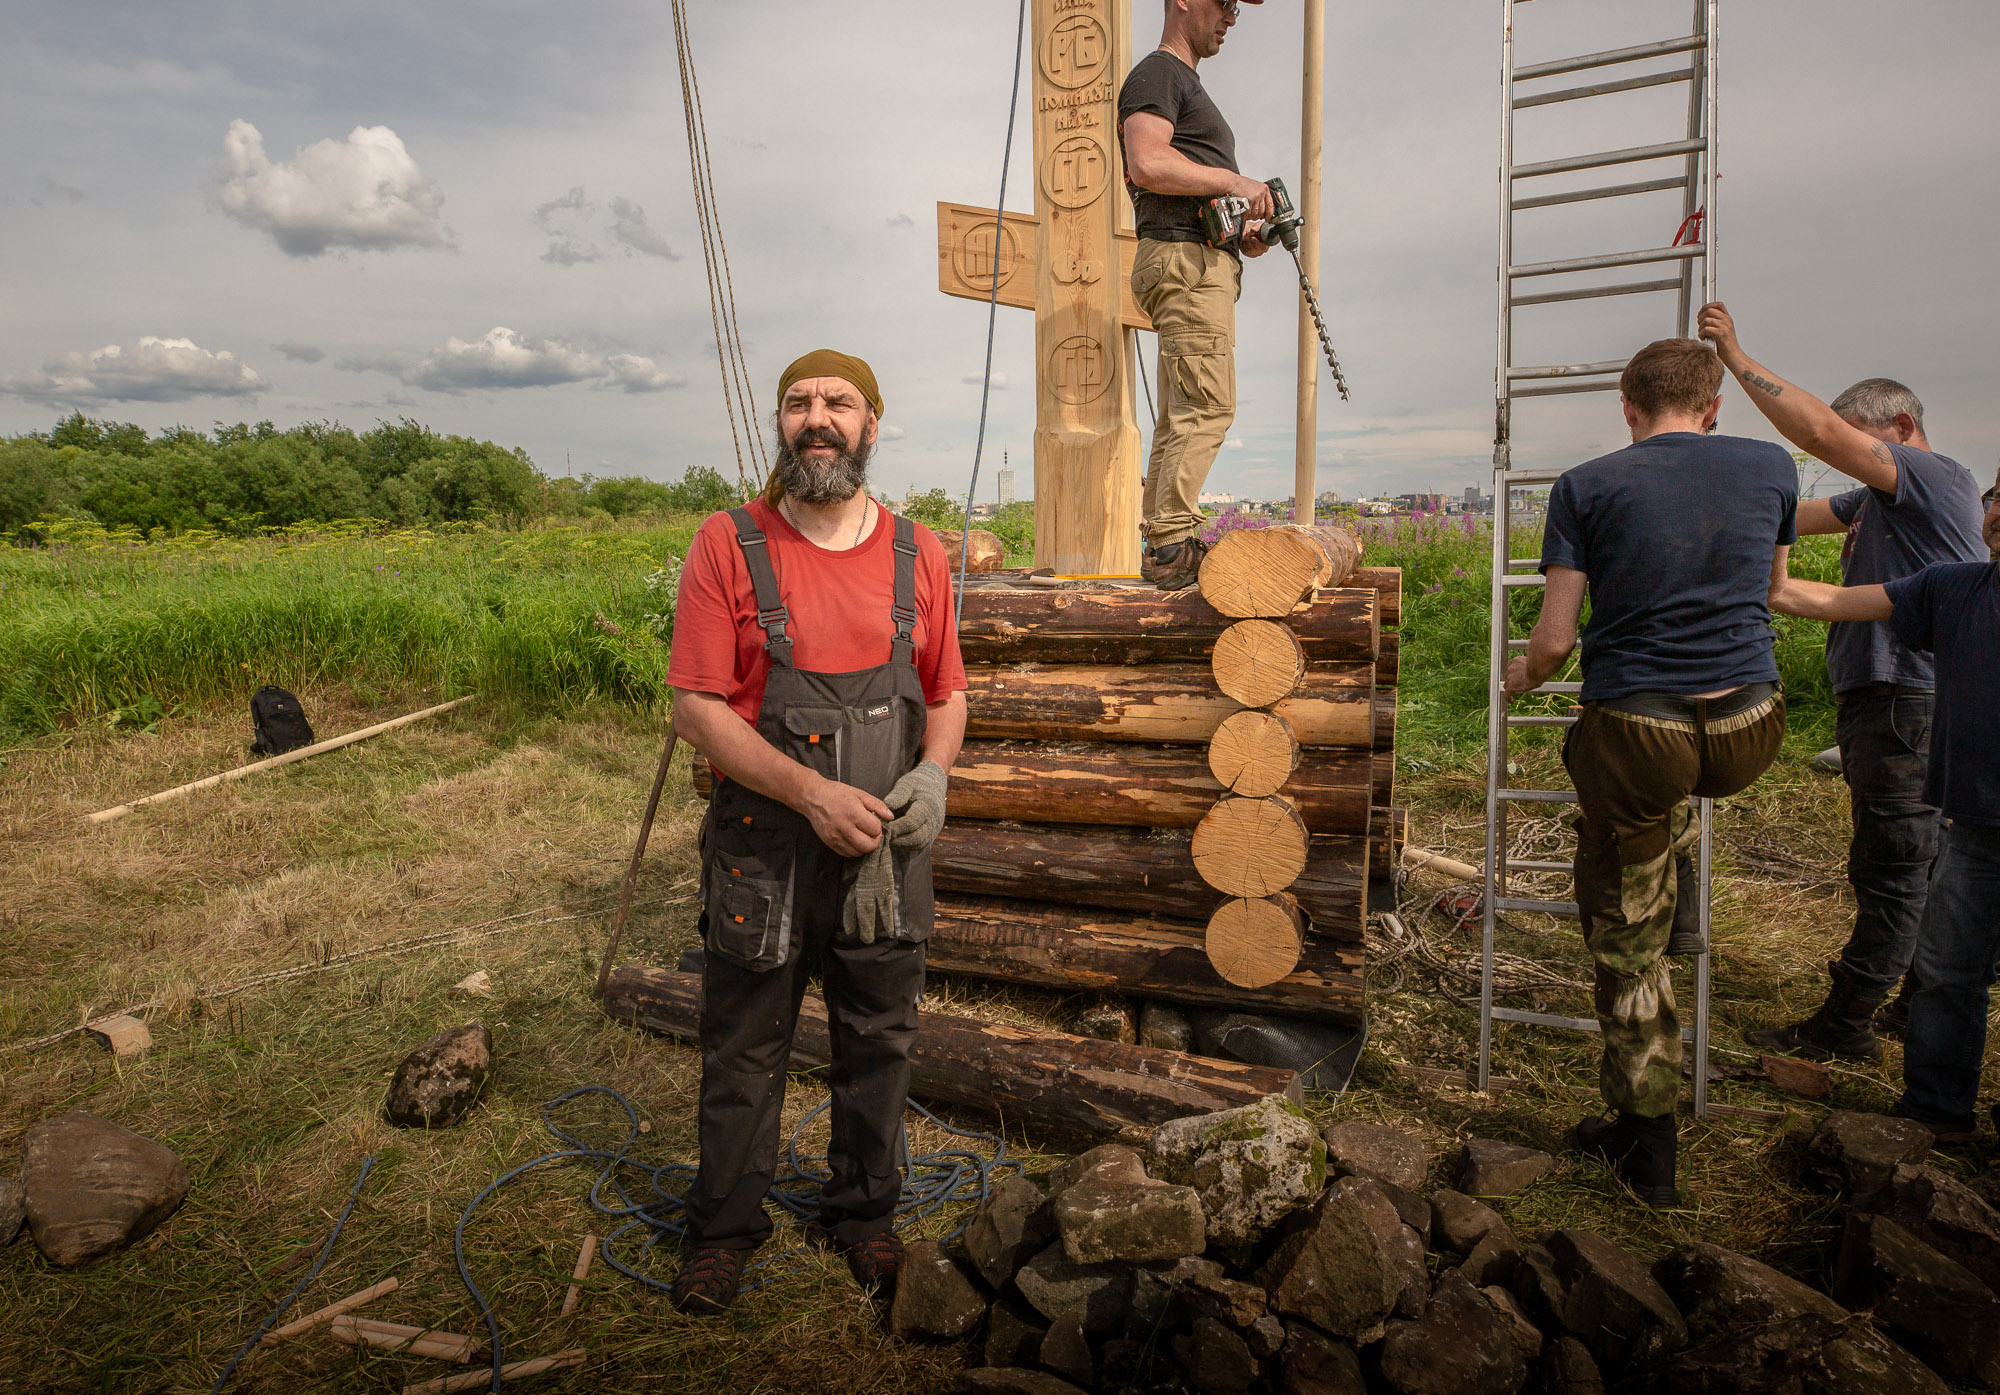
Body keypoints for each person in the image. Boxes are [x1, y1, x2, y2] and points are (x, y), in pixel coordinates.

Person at [663, 350, 968, 1312]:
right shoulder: (729, 542)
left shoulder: (919, 552)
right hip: (763, 846)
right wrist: (810, 794)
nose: (817, 417)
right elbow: (695, 705)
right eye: (798, 402)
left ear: (873, 422)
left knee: (880, 1038)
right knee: (745, 1044)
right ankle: (723, 1230)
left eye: (839, 401)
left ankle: (865, 1216)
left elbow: (947, 693)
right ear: (781, 425)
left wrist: (933, 773)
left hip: (884, 850)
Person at [1506, 338, 1796, 1208]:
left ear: (1628, 406)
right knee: (1664, 811)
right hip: (1751, 722)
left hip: (1640, 731)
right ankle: (1672, 881)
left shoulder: (1588, 484)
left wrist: (1522, 678)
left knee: (1627, 934)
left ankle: (1646, 1141)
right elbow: (1775, 589)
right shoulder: (1771, 466)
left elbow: (1556, 639)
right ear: (1714, 407)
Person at [1698, 303, 1988, 1061]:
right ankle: (1915, 1004)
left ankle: (1846, 1024)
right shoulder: (1878, 500)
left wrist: (1735, 358)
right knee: (1917, 861)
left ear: (1899, 427)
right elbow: (1789, 514)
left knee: (1894, 867)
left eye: (1864, 442)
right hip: (1891, 702)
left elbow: (1821, 434)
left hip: (1905, 700)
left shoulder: (1931, 476)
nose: (1851, 457)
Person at [1767, 493, 2000, 1138]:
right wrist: (1769, 543)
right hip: (1973, 826)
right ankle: (1936, 1116)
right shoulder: (1955, 586)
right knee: (1949, 974)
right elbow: (1830, 601)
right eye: (1998, 497)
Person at [1118, 0, 1276, 589]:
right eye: (1224, 1)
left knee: (1184, 411)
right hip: (1186, 265)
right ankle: (1172, 546)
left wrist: (1240, 234)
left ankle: (1165, 543)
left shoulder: (1179, 82)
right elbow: (1147, 162)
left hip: (1194, 257)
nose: (1232, 15)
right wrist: (1236, 180)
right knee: (1207, 406)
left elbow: (1178, 185)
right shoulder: (1158, 74)